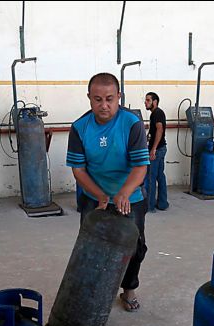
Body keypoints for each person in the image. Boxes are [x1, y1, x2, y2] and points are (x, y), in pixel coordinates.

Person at [66, 73, 149, 312]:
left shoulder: (131, 123)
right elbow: (79, 170)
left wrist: (124, 192)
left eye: (110, 99)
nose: (104, 105)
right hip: (95, 197)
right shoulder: (80, 128)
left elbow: (140, 166)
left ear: (119, 97)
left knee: (134, 247)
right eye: (98, 99)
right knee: (91, 247)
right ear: (89, 99)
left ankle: (128, 289)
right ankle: (91, 292)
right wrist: (102, 195)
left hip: (131, 197)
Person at [144, 92, 169, 212]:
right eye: (145, 100)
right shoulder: (155, 114)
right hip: (161, 148)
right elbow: (155, 131)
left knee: (150, 177)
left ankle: (150, 206)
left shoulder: (157, 113)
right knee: (160, 176)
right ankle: (163, 204)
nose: (145, 102)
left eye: (148, 100)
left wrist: (153, 149)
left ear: (155, 102)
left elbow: (159, 129)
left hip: (157, 150)